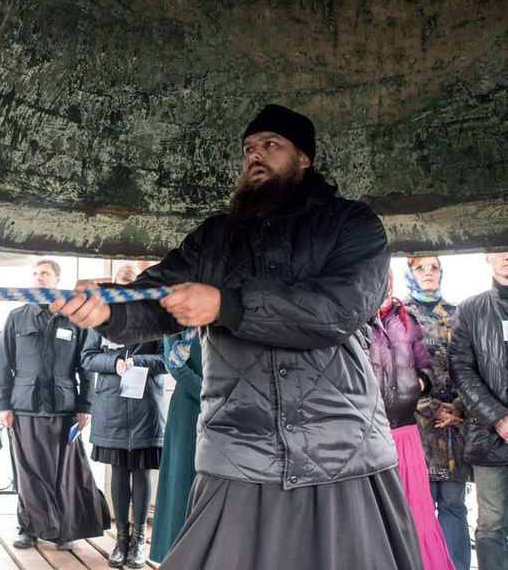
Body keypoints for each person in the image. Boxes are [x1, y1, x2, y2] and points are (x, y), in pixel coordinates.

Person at [52, 104, 423, 569]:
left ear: (304, 158)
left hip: (340, 444)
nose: (255, 156)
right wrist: (108, 308)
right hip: (239, 445)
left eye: (271, 145)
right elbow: (156, 296)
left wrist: (227, 306)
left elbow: (340, 309)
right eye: (249, 148)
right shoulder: (215, 237)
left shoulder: (352, 224)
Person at [0, 259, 96, 551]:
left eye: (45, 274)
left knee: (63, 472)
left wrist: (85, 406)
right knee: (27, 471)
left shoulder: (75, 320)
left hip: (63, 407)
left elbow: (86, 367)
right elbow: (3, 363)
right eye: (36, 274)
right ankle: (28, 529)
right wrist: (3, 405)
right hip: (24, 406)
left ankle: (63, 530)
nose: (39, 278)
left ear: (57, 280)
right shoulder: (16, 317)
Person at [371, 274, 454, 570]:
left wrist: (417, 384)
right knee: (378, 514)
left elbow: (426, 367)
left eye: (385, 278)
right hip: (369, 432)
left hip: (406, 431)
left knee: (417, 511)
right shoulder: (353, 320)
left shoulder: (407, 320)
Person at [405, 256, 472, 570]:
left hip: (455, 427)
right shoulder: (401, 315)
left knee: (454, 505)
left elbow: (470, 366)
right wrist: (430, 408)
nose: (428, 272)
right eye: (421, 267)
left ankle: (457, 565)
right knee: (419, 505)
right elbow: (396, 373)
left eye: (434, 267)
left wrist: (459, 407)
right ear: (411, 273)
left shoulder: (458, 314)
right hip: (417, 427)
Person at [81, 329, 165, 567]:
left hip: (146, 406)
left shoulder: (156, 318)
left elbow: (167, 359)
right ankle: (121, 540)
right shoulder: (102, 317)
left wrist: (137, 361)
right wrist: (115, 362)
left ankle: (138, 541)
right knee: (118, 471)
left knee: (142, 472)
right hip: (112, 406)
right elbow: (87, 357)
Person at [450, 251, 508, 570]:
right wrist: (497, 417)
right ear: (487, 255)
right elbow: (460, 368)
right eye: (499, 248)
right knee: (491, 523)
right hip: (489, 437)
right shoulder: (470, 309)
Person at [149, 330, 202, 564]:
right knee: (181, 483)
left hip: (230, 407)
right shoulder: (180, 318)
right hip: (190, 407)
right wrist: (210, 393)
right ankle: (177, 557)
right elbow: (175, 366)